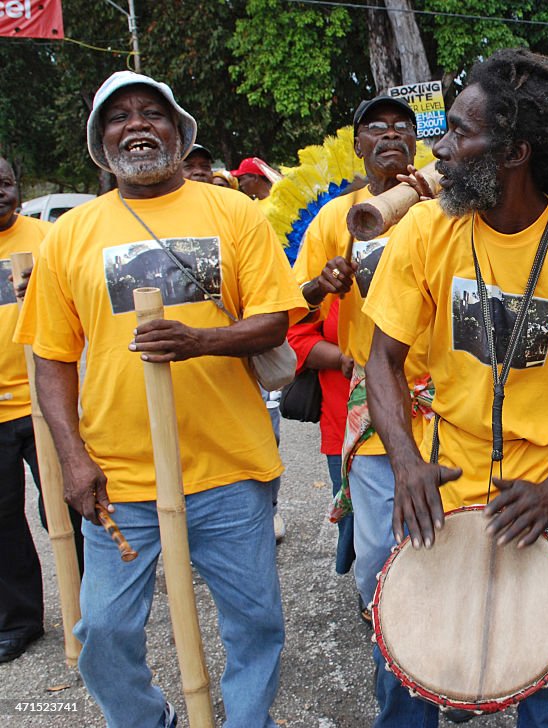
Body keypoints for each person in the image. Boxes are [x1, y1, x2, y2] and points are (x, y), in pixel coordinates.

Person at [363, 49, 548, 726]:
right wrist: (406, 464)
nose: (440, 148)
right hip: (438, 491)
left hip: (542, 502)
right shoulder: (425, 231)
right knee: (407, 679)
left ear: (514, 153)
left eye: (461, 133)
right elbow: (382, 358)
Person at [15, 70, 307, 728]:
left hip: (230, 465)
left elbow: (273, 321)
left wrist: (200, 340)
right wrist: (72, 460)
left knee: (255, 623)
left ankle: (248, 721)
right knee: (105, 637)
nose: (137, 125)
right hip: (121, 477)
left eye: (153, 113)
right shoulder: (70, 234)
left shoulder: (232, 212)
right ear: (100, 141)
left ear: (179, 132)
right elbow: (54, 359)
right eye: (119, 117)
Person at [292, 94, 431, 620]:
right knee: (375, 540)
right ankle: (384, 614)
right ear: (359, 145)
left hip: (444, 393)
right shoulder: (335, 216)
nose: (391, 135)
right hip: (370, 396)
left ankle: (429, 621)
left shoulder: (442, 209)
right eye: (377, 127)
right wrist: (320, 284)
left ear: (416, 142)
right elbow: (295, 303)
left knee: (437, 520)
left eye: (402, 127)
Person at [0, 157, 84, 665]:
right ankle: (19, 620)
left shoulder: (49, 239)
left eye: (6, 183)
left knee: (66, 506)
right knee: (2, 517)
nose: (0, 193)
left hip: (44, 404)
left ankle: (86, 607)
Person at [286, 298, 354, 574]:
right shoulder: (336, 280)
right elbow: (293, 335)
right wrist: (340, 359)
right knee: (356, 520)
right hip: (346, 426)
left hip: (425, 422)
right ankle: (372, 591)